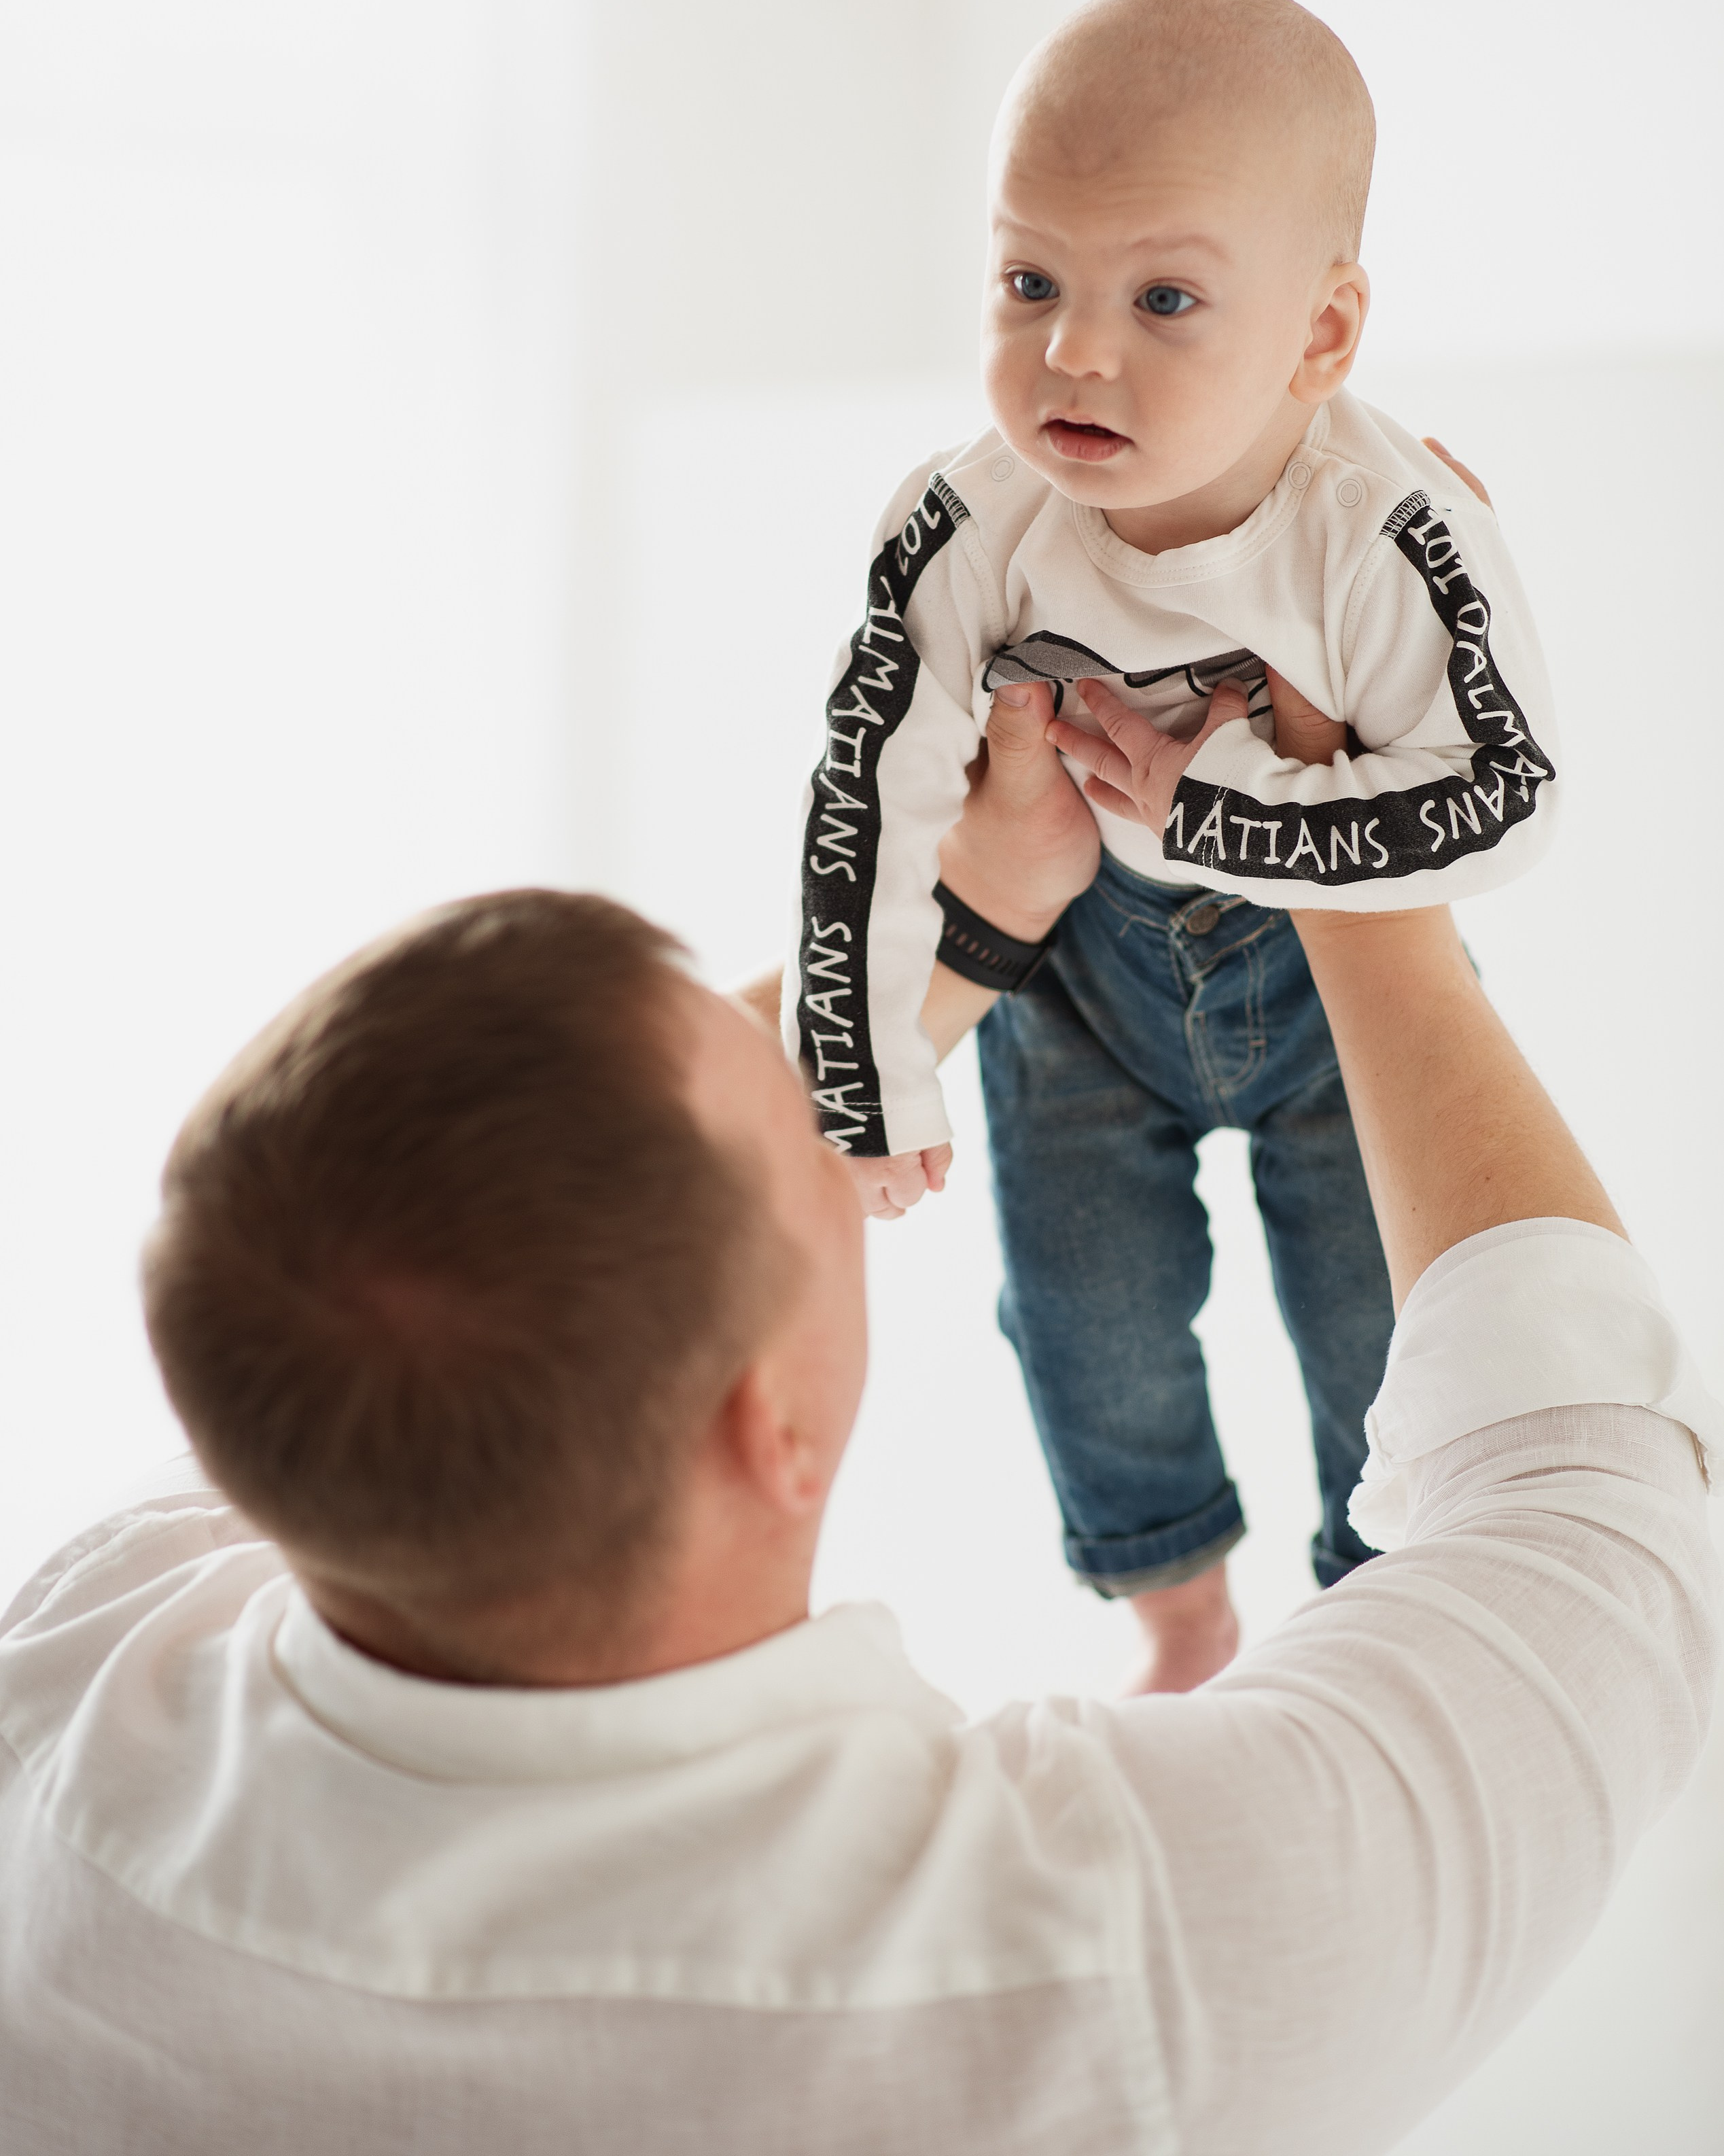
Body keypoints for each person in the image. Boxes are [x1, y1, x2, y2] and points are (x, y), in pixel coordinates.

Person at [0, 713, 1716, 2153]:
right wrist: (1353, 857)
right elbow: (1598, 1501)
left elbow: (465, 1234)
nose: (834, 1086)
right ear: (775, 1425)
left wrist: (968, 905)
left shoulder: (70, 1692)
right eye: (797, 1107)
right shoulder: (1114, 1970)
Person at [783, 0, 1558, 1687]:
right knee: (1084, 1327)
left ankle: (1369, 1612)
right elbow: (873, 786)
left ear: (1323, 334)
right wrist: (863, 1072)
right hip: (1077, 988)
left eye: (1167, 297)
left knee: (1380, 1329)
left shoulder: (1384, 529)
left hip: (1324, 999)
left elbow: (1504, 794)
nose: (1074, 349)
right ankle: (1179, 1612)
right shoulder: (971, 520)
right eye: (1029, 277)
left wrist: (1237, 807)